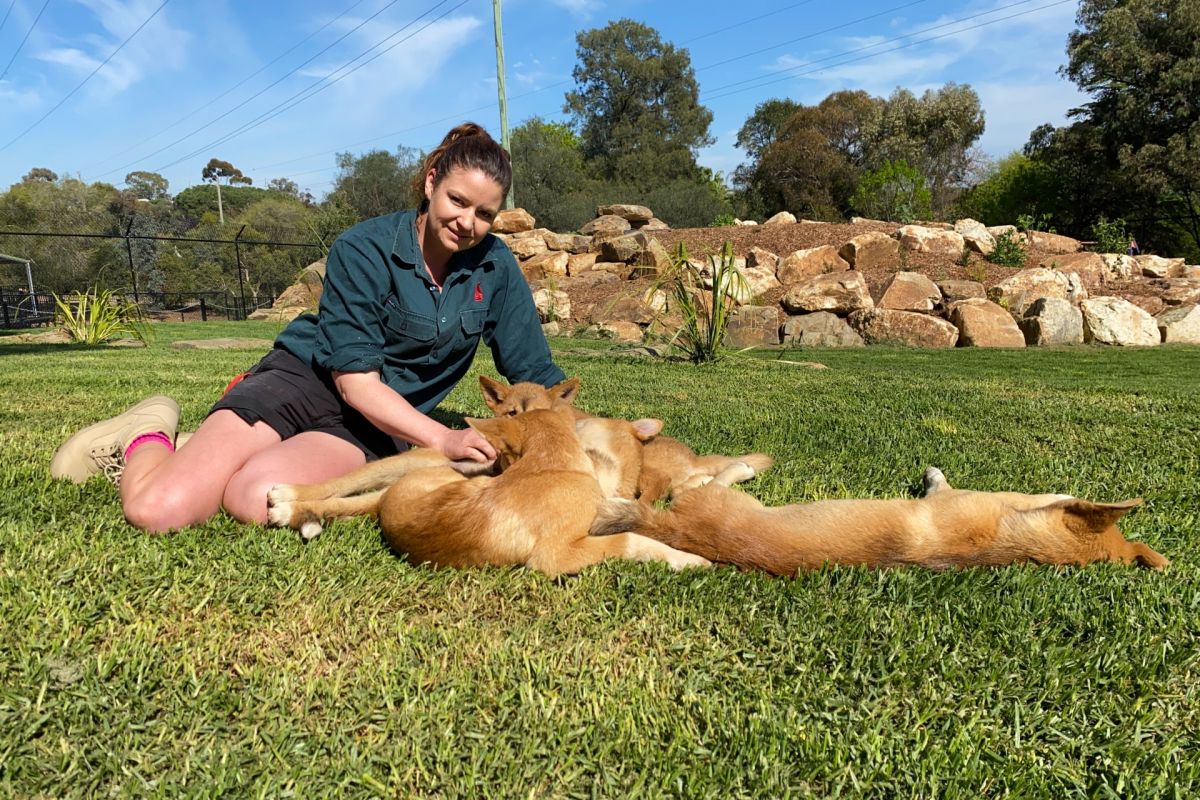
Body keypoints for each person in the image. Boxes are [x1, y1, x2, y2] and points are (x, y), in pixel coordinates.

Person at [51, 123, 565, 533]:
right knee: (158, 510)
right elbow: (354, 381)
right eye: (458, 200)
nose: (468, 222)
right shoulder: (364, 247)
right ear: (432, 181)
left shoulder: (494, 267)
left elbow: (534, 371)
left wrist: (592, 439)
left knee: (255, 499)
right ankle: (148, 433)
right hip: (303, 381)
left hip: (374, 425)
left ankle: (207, 448)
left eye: (485, 214)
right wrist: (441, 439)